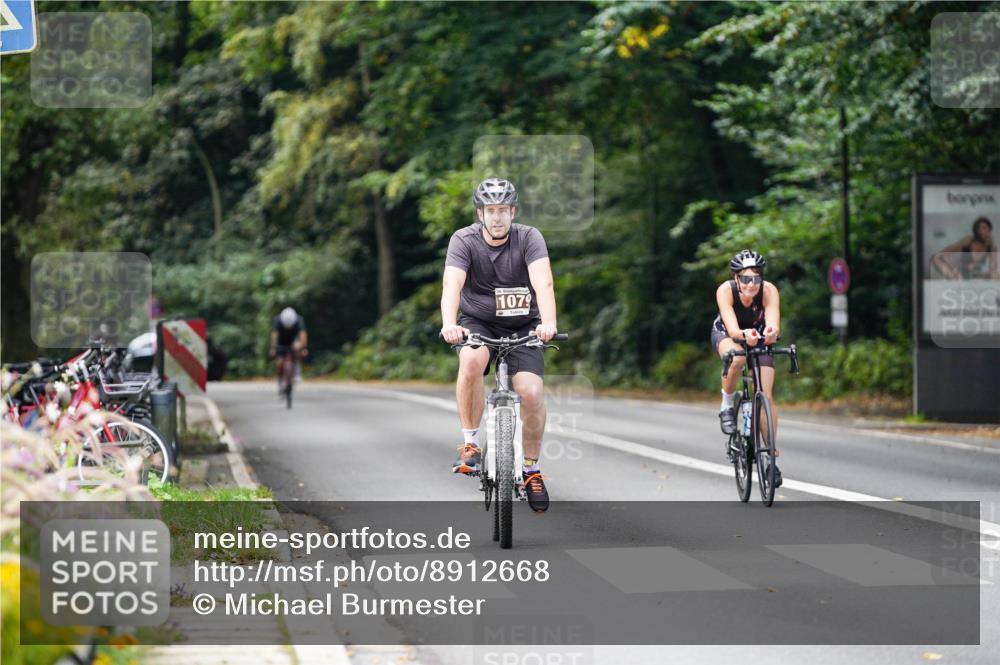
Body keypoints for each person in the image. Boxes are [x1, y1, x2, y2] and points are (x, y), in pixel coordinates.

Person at [439, 178, 558, 513]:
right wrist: (450, 324)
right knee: (471, 363)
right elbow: (452, 285)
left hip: (524, 325)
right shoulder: (463, 240)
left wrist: (548, 323)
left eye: (503, 210)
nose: (497, 217)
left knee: (532, 393)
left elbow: (543, 282)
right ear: (480, 213)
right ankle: (471, 444)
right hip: (479, 322)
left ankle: (531, 469)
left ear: (513, 212)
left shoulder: (529, 238)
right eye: (490, 210)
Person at [710, 249, 783, 487]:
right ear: (737, 279)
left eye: (756, 278)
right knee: (737, 359)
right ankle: (726, 405)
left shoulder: (769, 291)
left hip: (757, 337)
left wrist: (771, 333)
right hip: (728, 334)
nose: (752, 284)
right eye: (746, 279)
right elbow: (731, 329)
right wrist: (743, 335)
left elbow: (773, 323)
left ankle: (770, 455)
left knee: (767, 394)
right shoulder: (725, 290)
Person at [930, 217, 998, 280]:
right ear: (976, 230)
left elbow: (993, 268)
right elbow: (944, 253)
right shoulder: (968, 240)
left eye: (987, 228)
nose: (985, 231)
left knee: (996, 275)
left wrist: (992, 248)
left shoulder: (991, 246)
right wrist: (954, 269)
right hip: (959, 275)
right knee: (935, 258)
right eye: (982, 228)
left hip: (977, 276)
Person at [269, 307, 308, 393]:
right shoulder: (277, 320)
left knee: (298, 348)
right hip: (281, 341)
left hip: (294, 339)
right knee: (279, 364)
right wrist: (273, 348)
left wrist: (303, 348)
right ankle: (280, 382)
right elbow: (275, 336)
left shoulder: (299, 320)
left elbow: (303, 335)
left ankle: (297, 372)